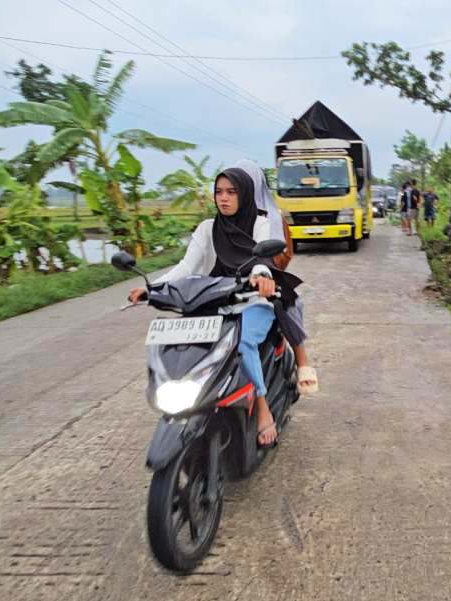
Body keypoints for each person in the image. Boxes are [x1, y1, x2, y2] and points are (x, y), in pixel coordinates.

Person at [128, 167, 300, 446]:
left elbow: (262, 260)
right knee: (188, 345)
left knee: (242, 342)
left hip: (253, 301)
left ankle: (262, 407)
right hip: (215, 301)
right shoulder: (208, 228)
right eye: (219, 192)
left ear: (244, 195)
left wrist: (262, 278)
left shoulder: (260, 223)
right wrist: (151, 289)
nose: (224, 198)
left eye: (231, 192)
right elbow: (186, 266)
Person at [232, 159, 318, 396]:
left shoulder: (269, 216)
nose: (234, 192)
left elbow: (281, 253)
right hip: (233, 280)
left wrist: (263, 271)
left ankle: (302, 362)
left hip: (268, 274)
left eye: (242, 186)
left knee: (284, 303)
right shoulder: (224, 216)